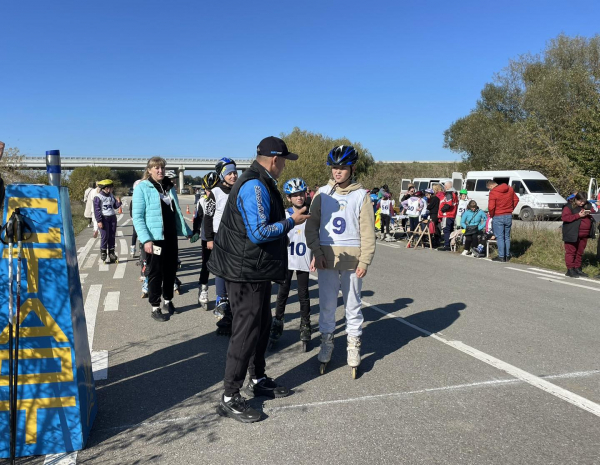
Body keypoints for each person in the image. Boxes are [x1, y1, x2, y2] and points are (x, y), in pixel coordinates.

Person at [208, 136, 308, 423]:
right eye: (285, 161)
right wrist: (292, 221)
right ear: (275, 159)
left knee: (262, 325)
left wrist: (288, 214)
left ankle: (258, 378)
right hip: (245, 271)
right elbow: (259, 233)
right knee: (246, 331)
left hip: (256, 268)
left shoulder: (261, 180)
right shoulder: (254, 185)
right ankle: (230, 396)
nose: (285, 167)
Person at [305, 145, 376, 378]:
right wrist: (316, 251)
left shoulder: (361, 195)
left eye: (342, 168)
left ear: (351, 169)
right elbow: (311, 226)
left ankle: (353, 344)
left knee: (353, 304)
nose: (337, 172)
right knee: (326, 303)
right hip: (326, 257)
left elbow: (367, 230)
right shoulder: (322, 193)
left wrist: (365, 260)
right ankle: (327, 341)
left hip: (352, 259)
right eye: (334, 167)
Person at [132, 157, 192, 322]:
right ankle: (155, 307)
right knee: (155, 272)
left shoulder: (169, 187)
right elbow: (137, 217)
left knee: (171, 271)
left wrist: (187, 231)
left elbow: (177, 213)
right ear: (149, 170)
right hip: (154, 239)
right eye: (156, 168)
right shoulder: (142, 188)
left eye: (162, 168)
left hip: (170, 236)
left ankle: (168, 300)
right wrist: (146, 240)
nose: (160, 171)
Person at [270, 177, 314, 351]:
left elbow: (316, 237)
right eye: (294, 195)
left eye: (301, 194)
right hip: (287, 260)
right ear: (288, 198)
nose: (299, 198)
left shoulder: (311, 215)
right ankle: (278, 321)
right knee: (283, 293)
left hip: (304, 259)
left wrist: (316, 256)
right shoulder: (285, 215)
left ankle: (305, 325)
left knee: (304, 294)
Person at [205, 158, 238, 334]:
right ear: (222, 175)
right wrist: (209, 238)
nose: (233, 176)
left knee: (233, 268)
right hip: (219, 235)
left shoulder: (239, 189)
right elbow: (208, 217)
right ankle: (221, 299)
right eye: (229, 173)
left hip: (236, 235)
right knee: (220, 268)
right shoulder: (216, 192)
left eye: (234, 172)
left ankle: (233, 302)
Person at [191, 171, 219, 309]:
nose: (210, 192)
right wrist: (196, 231)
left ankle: (223, 296)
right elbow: (198, 218)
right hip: (206, 238)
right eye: (208, 190)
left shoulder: (223, 197)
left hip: (222, 237)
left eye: (212, 189)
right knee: (206, 265)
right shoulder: (202, 201)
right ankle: (203, 289)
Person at [562, 192, 594, 278]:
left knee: (580, 252)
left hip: (584, 233)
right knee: (571, 252)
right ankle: (570, 269)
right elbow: (565, 218)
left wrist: (590, 213)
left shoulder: (588, 205)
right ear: (576, 199)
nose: (582, 203)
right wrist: (578, 215)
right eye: (580, 201)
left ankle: (577, 268)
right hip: (572, 232)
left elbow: (594, 214)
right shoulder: (569, 206)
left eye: (583, 201)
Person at [487, 180, 519, 262]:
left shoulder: (493, 193)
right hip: (508, 215)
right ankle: (507, 256)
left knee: (500, 237)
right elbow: (516, 199)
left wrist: (492, 214)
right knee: (507, 237)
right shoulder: (510, 189)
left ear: (491, 186)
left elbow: (491, 207)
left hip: (498, 215)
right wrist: (511, 209)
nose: (490, 190)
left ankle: (501, 256)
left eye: (489, 188)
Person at [93, 179, 122, 264]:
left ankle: (112, 253)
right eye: (109, 187)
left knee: (112, 236)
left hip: (112, 217)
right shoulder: (98, 197)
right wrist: (99, 221)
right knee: (105, 236)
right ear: (104, 188)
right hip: (104, 218)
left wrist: (119, 202)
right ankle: (103, 253)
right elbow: (97, 210)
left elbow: (115, 206)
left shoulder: (111, 195)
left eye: (111, 188)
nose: (111, 189)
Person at [437, 182, 458, 251]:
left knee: (446, 230)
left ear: (447, 187)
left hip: (447, 215)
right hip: (452, 215)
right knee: (450, 230)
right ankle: (450, 244)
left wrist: (442, 210)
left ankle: (446, 245)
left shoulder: (449, 194)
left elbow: (449, 204)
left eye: (445, 187)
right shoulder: (455, 194)